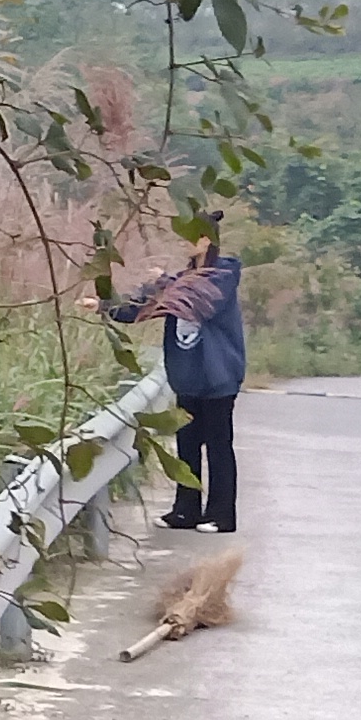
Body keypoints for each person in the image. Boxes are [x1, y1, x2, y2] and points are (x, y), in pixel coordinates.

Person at [110, 214, 247, 531]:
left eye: (188, 236)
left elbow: (201, 302)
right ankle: (185, 510)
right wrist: (105, 306)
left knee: (218, 446)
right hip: (188, 377)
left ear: (205, 240)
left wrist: (165, 283)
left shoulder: (223, 274)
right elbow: (143, 308)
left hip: (218, 378)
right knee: (187, 445)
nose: (182, 242)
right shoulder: (182, 279)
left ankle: (222, 515)